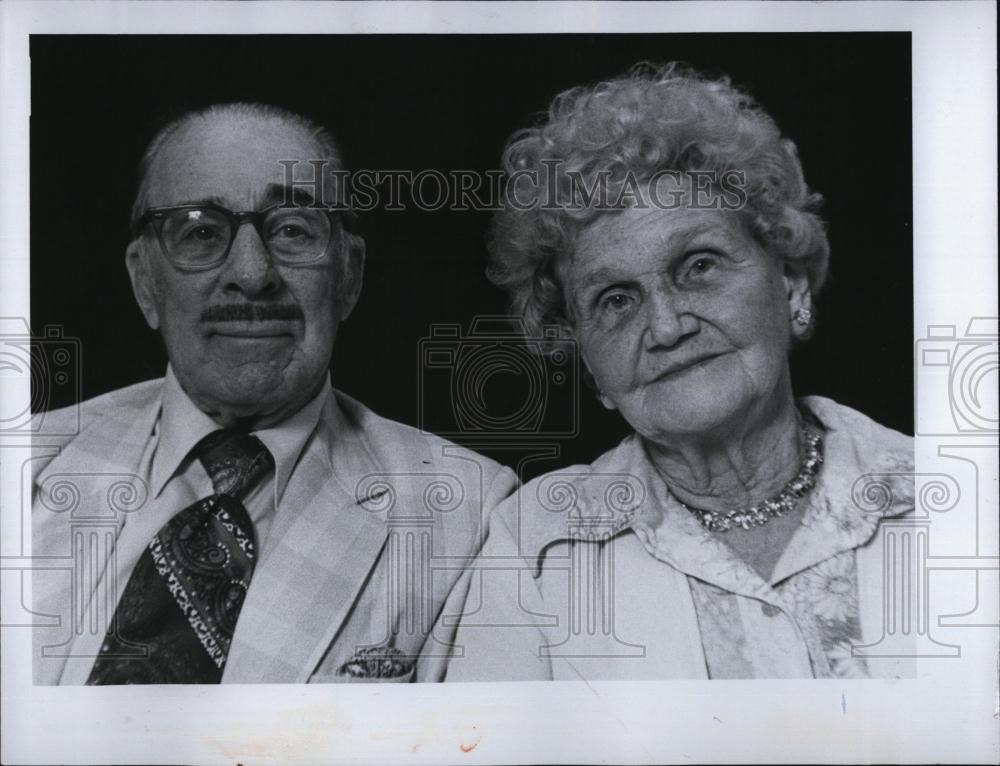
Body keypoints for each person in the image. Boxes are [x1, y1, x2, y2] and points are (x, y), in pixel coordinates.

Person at [447, 63, 915, 680]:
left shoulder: (959, 496)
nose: (667, 327)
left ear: (791, 284)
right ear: (588, 362)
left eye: (698, 266)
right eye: (616, 299)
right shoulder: (531, 549)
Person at [31, 102, 516, 684]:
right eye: (201, 231)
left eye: (291, 229)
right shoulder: (25, 461)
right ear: (144, 282)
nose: (253, 274)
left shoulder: (470, 513)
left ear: (349, 276)